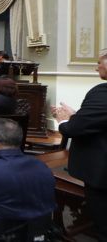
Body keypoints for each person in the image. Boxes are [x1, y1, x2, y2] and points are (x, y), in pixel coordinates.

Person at [52, 48, 107, 240]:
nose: (95, 69)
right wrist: (76, 115)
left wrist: (63, 120)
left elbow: (73, 130)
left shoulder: (102, 92)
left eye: (99, 63)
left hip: (101, 172)